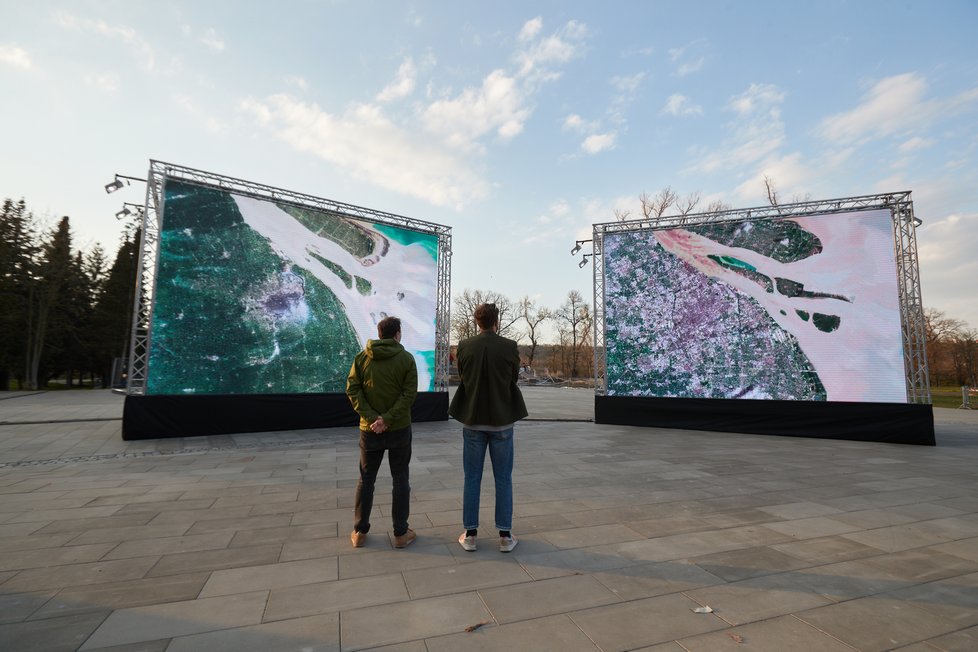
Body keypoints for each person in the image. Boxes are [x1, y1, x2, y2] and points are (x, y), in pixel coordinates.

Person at [449, 303, 528, 552]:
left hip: (473, 420)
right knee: (503, 478)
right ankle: (505, 536)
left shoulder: (464, 346)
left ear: (477, 322)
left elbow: (464, 377)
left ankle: (470, 534)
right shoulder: (509, 346)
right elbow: (513, 378)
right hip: (502, 421)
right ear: (497, 321)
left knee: (471, 478)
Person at [346, 316, 418, 549]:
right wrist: (387, 419)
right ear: (397, 334)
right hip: (398, 429)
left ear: (379, 334)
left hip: (369, 431)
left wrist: (372, 419)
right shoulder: (406, 359)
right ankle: (400, 534)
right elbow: (408, 395)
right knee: (400, 479)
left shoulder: (362, 358)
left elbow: (353, 390)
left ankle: (359, 532)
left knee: (366, 480)